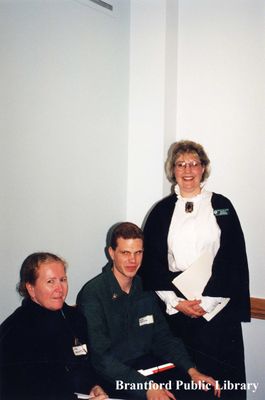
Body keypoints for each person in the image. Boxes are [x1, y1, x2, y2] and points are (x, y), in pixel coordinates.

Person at [139, 140, 250, 400]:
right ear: (173, 170)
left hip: (217, 308)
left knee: (221, 383)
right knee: (182, 381)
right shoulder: (161, 211)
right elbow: (153, 260)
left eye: (193, 163)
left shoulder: (221, 205)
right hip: (177, 309)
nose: (187, 169)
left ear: (203, 168)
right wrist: (176, 302)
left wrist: (208, 302)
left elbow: (233, 255)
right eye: (180, 164)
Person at [77, 222, 221, 400]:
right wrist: (146, 387)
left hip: (148, 369)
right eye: (125, 253)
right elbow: (101, 359)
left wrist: (192, 371)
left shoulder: (144, 287)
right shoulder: (93, 293)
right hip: (114, 378)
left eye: (138, 253)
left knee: (204, 393)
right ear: (111, 253)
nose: (133, 260)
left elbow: (163, 338)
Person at [0, 252, 108, 400]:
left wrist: (93, 386)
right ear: (31, 288)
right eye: (50, 282)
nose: (59, 288)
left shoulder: (75, 318)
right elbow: (27, 390)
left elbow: (83, 366)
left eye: (63, 280)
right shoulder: (15, 331)